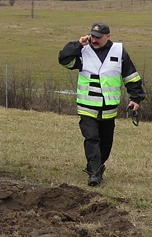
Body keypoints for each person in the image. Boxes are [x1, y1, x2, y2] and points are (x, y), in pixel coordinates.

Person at [59, 22, 144, 186]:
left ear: (108, 36)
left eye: (98, 37)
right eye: (92, 36)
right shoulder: (83, 51)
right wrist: (78, 44)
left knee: (106, 142)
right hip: (87, 107)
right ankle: (94, 174)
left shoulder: (119, 52)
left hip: (109, 109)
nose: (94, 39)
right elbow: (63, 59)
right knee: (92, 138)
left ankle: (96, 166)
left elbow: (131, 76)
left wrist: (136, 98)